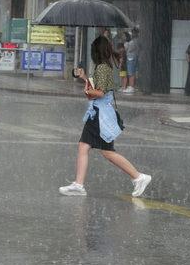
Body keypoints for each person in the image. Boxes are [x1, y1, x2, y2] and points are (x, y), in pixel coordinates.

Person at [59, 36, 152, 197]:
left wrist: (87, 91)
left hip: (100, 115)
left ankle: (138, 177)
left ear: (96, 51)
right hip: (99, 113)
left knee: (105, 151)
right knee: (86, 146)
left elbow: (99, 93)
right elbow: (100, 89)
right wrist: (85, 78)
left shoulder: (102, 68)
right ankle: (79, 184)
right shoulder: (106, 66)